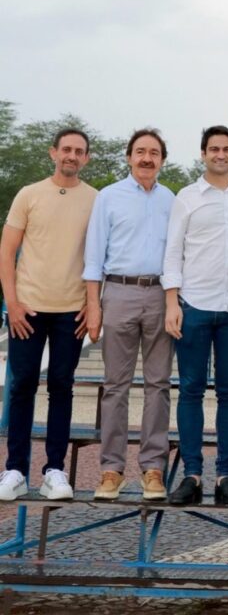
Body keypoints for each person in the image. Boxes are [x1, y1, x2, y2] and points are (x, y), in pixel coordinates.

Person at [0, 129, 97, 502]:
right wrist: (13, 304)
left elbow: (97, 258)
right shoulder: (29, 194)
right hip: (28, 308)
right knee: (22, 385)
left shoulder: (94, 199)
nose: (71, 156)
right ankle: (15, 469)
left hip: (71, 310)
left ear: (86, 158)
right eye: (66, 149)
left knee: (61, 386)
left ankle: (54, 469)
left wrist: (93, 303)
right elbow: (7, 252)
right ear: (53, 152)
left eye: (79, 151)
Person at [83, 128, 175, 501]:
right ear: (128, 157)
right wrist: (94, 305)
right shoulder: (109, 198)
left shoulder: (172, 199)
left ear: (162, 160)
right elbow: (93, 256)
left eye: (154, 153)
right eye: (140, 151)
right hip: (118, 292)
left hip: (159, 293)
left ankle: (153, 468)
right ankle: (111, 469)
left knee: (159, 385)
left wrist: (173, 300)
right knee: (116, 386)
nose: (147, 158)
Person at [162, 125, 228, 507]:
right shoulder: (187, 197)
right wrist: (171, 303)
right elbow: (172, 252)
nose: (220, 154)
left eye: (227, 149)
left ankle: (226, 474)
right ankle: (192, 474)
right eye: (214, 149)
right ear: (203, 154)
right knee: (191, 390)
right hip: (194, 305)